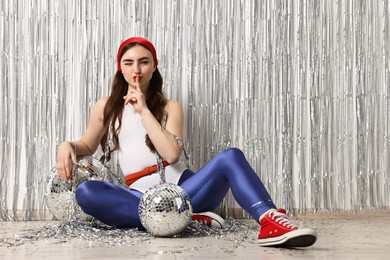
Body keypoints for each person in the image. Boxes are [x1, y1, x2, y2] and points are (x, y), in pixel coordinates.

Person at [56, 37, 317, 247]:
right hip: (139, 196)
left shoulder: (170, 107)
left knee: (230, 156)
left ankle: (270, 221)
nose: (136, 70)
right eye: (129, 62)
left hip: (186, 192)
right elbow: (87, 145)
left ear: (154, 66)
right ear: (120, 67)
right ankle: (184, 222)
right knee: (86, 192)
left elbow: (171, 155)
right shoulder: (106, 107)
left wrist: (145, 110)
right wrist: (67, 146)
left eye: (144, 62)